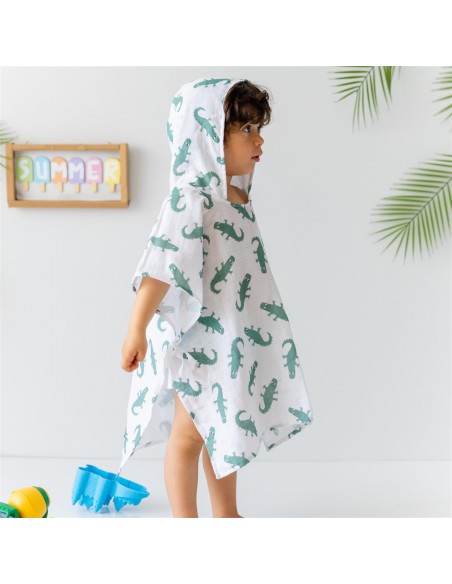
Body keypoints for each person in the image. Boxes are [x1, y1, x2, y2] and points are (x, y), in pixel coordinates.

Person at [120, 76, 314, 518]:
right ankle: (186, 521)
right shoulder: (190, 201)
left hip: (230, 339)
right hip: (197, 340)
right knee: (190, 433)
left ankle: (227, 513)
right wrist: (136, 328)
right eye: (245, 129)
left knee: (223, 428)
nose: (258, 139)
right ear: (206, 133)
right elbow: (161, 266)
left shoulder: (237, 196)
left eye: (258, 128)